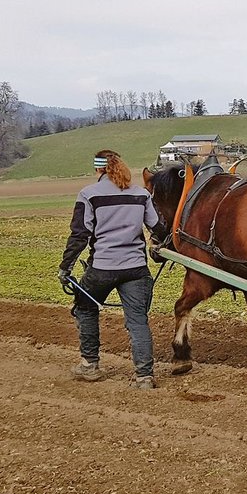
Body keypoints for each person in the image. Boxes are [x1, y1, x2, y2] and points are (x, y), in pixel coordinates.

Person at [59, 150, 161, 389]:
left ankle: (90, 365)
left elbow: (79, 235)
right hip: (136, 268)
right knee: (138, 321)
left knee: (85, 309)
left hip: (102, 268)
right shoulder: (140, 195)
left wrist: (66, 267)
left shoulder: (88, 195)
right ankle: (144, 376)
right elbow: (158, 227)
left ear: (98, 169)